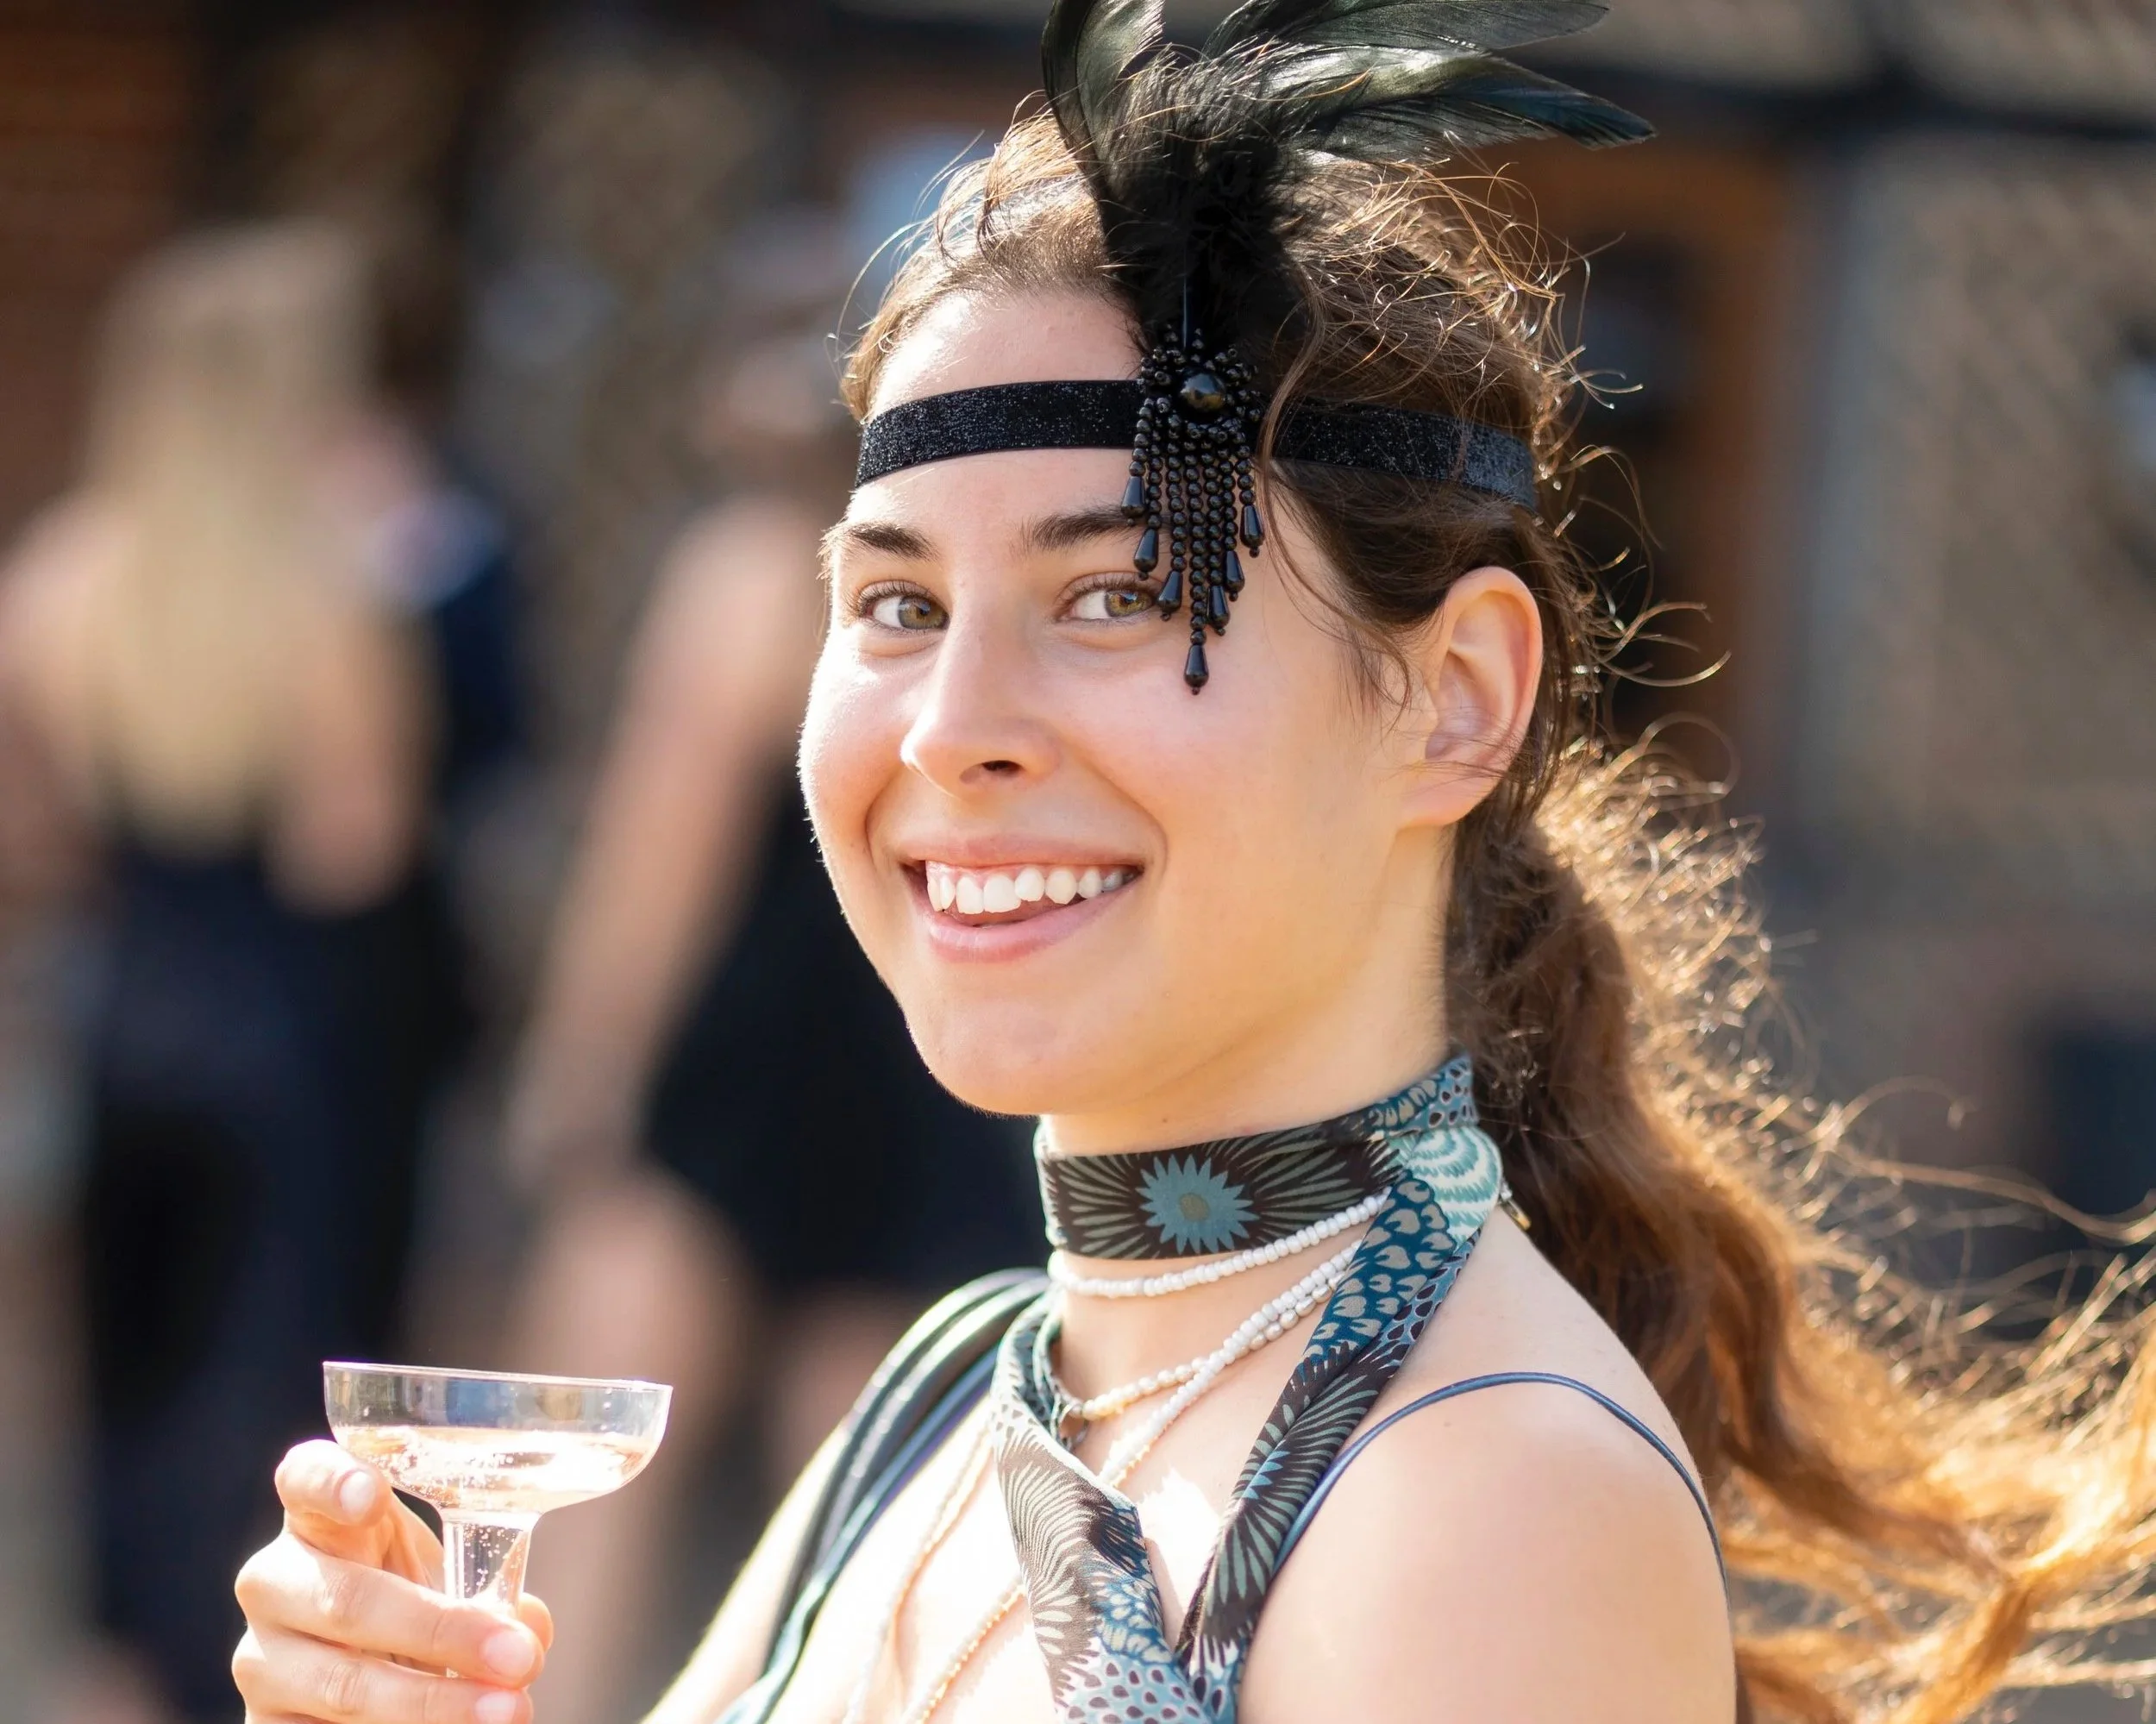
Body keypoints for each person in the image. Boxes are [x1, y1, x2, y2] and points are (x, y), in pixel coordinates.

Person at [228, 3, 2156, 1721]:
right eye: (891, 603)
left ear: (1455, 699)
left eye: (1121, 591)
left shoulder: (1473, 1500)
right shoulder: (951, 1390)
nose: (948, 724)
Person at [0, 223, 512, 1724]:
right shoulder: (331, 590)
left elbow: (35, 837)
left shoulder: (61, 573)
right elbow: (351, 848)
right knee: (277, 1410)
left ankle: (112, 1686)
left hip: (131, 1026)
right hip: (299, 1045)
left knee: (128, 1392)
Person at [496, 314, 1038, 1723]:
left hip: (744, 1062)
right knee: (860, 1495)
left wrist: (581, 1072)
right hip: (914, 1040)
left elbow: (653, 854)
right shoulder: (978, 608)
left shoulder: (748, 569)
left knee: (588, 1480)